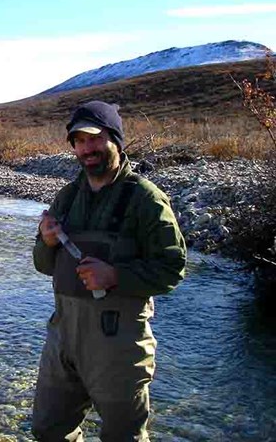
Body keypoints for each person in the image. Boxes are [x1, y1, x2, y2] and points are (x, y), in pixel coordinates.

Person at [31, 101, 187, 441]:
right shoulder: (67, 197)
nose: (88, 148)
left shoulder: (147, 200)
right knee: (48, 430)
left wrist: (116, 276)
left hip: (119, 345)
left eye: (96, 138)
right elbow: (43, 265)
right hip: (63, 338)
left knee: (123, 436)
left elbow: (173, 268)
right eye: (80, 141)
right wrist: (47, 242)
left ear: (115, 139)